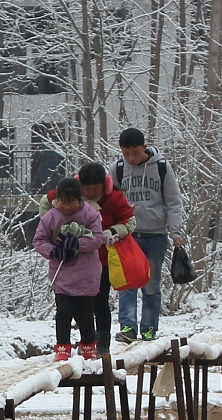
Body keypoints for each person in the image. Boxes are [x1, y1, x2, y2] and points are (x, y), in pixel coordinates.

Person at [110, 128, 185, 343]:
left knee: (151, 284)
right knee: (127, 283)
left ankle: (149, 328)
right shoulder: (118, 168)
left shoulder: (161, 168)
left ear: (144, 147)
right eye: (126, 154)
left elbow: (173, 201)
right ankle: (128, 328)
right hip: (128, 235)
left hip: (155, 235)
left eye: (135, 152)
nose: (131, 158)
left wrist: (175, 231)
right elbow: (111, 199)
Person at [33, 177, 106, 361]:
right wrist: (55, 251)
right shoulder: (50, 217)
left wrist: (79, 243)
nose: (67, 206)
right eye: (62, 201)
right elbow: (39, 240)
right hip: (62, 274)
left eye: (71, 201)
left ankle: (88, 349)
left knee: (86, 315)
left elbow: (98, 238)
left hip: (86, 274)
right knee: (63, 312)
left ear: (79, 199)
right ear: (57, 200)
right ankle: (62, 349)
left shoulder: (90, 214)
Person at [72, 162, 134, 352]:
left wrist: (114, 231)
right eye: (87, 189)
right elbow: (49, 205)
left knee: (100, 301)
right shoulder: (71, 195)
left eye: (95, 189)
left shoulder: (114, 198)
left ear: (103, 186)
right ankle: (87, 341)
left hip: (103, 259)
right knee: (79, 303)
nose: (91, 193)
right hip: (77, 260)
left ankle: (103, 344)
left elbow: (130, 221)